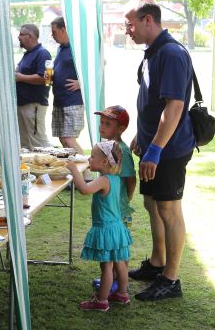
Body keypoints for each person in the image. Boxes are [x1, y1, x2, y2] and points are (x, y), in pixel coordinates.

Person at [124, 0, 195, 301]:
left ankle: (171, 279)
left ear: (148, 20)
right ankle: (157, 263)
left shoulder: (171, 53)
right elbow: (152, 101)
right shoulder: (152, 53)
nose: (128, 29)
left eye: (131, 23)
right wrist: (142, 136)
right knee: (152, 204)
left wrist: (155, 149)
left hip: (169, 148)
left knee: (168, 208)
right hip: (153, 144)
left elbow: (175, 107)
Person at [65, 141, 133, 311]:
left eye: (92, 156)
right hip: (116, 227)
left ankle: (101, 301)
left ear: (104, 162)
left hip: (106, 228)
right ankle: (122, 294)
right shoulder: (115, 179)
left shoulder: (103, 180)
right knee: (119, 263)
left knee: (106, 267)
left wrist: (74, 170)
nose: (89, 158)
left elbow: (84, 190)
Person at [92, 105, 137, 293]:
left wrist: (125, 201)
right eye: (102, 122)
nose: (102, 127)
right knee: (114, 246)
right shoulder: (108, 147)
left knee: (119, 247)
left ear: (120, 129)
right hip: (111, 206)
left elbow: (131, 179)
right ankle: (113, 278)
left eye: (108, 124)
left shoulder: (121, 151)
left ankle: (118, 280)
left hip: (118, 207)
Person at [49, 17, 85, 155]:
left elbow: (99, 64)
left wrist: (82, 84)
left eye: (54, 32)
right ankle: (75, 172)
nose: (52, 35)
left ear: (63, 29)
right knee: (63, 140)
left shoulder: (78, 47)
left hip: (73, 102)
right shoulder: (60, 48)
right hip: (59, 100)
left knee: (68, 139)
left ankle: (87, 173)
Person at [15, 24, 52, 149]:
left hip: (34, 105)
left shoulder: (43, 53)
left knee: (39, 143)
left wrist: (20, 77)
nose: (18, 37)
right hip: (23, 105)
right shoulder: (28, 54)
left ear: (30, 36)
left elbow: (46, 79)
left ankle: (55, 166)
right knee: (25, 145)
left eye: (21, 34)